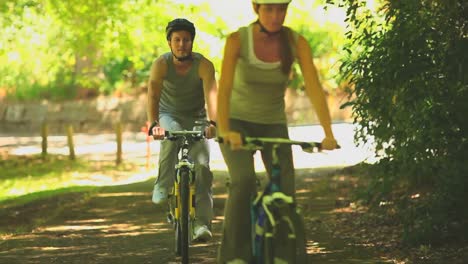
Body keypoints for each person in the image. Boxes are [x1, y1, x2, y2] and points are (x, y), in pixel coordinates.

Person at [216, 0, 338, 263]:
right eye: (269, 9)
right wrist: (225, 130)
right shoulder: (238, 40)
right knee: (243, 180)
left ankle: (283, 256)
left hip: (272, 122)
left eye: (281, 9)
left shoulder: (296, 42)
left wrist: (328, 133)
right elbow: (224, 89)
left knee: (285, 188)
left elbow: (314, 87)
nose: (275, 15)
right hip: (236, 122)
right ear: (257, 9)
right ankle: (233, 256)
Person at [147, 18, 217, 242]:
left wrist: (212, 123)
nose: (181, 44)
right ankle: (163, 183)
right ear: (169, 42)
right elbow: (153, 95)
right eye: (177, 40)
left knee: (203, 167)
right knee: (171, 134)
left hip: (197, 117)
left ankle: (202, 224)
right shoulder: (162, 64)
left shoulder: (204, 65)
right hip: (169, 115)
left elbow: (211, 96)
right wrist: (154, 124)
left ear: (192, 42)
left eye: (186, 40)